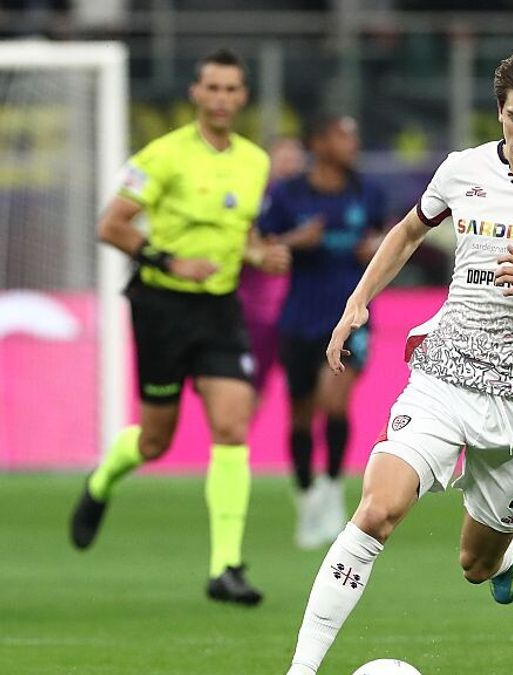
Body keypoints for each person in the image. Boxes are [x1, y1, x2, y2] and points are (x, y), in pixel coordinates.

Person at [285, 48, 513, 675]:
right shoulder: (462, 170)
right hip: (445, 374)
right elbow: (408, 231)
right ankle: (301, 669)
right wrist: (357, 301)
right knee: (376, 511)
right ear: (499, 111)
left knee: (476, 564)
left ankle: (506, 553)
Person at [69, 48, 290, 607]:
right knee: (154, 441)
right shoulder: (162, 156)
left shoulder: (254, 162)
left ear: (243, 97)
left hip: (219, 309)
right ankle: (102, 480)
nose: (221, 98)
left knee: (233, 426)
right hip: (162, 307)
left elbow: (241, 233)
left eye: (231, 89)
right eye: (212, 87)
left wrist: (259, 254)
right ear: (195, 93)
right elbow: (111, 225)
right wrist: (170, 261)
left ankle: (225, 567)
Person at [258, 115, 387, 550]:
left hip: (350, 317)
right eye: (342, 136)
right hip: (300, 317)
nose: (352, 144)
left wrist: (374, 249)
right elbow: (261, 246)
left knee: (335, 403)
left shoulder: (367, 192)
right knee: (300, 414)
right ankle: (306, 495)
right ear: (319, 143)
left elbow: (389, 239)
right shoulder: (288, 194)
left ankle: (332, 488)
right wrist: (296, 241)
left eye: (353, 136)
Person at [239, 135, 308, 396]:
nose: (290, 164)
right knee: (252, 381)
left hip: (301, 307)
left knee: (303, 385)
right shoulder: (252, 199)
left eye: (295, 158)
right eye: (283, 158)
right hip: (258, 307)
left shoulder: (311, 199)